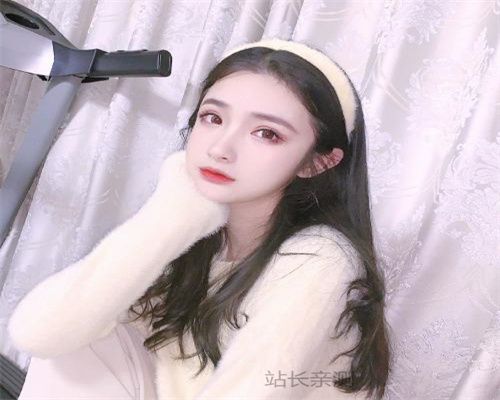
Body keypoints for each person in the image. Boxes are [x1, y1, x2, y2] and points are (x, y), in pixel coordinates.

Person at [8, 38, 391, 399]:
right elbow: (40, 334)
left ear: (317, 162)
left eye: (266, 133)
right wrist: (170, 215)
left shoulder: (319, 260)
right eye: (213, 117)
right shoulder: (200, 234)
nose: (221, 148)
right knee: (80, 336)